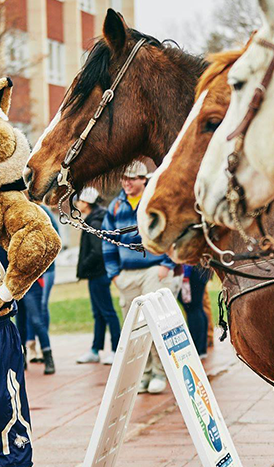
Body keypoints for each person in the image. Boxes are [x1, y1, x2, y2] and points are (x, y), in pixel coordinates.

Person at [102, 161, 179, 394]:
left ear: (143, 179)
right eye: (124, 178)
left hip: (153, 270)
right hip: (127, 275)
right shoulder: (115, 206)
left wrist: (167, 265)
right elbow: (108, 241)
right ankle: (143, 375)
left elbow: (173, 230)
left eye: (132, 178)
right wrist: (114, 274)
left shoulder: (155, 200)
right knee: (133, 328)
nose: (126, 182)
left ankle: (159, 373)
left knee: (155, 322)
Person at [74, 187, 120, 365]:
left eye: (80, 200)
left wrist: (84, 266)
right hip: (98, 274)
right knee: (99, 313)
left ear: (86, 202)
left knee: (107, 312)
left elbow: (97, 251)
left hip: (98, 274)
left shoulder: (95, 222)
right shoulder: (95, 219)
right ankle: (96, 349)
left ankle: (116, 349)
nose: (77, 203)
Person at [22, 205, 60, 375]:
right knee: (19, 321)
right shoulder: (10, 211)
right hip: (14, 278)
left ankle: (47, 355)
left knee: (37, 318)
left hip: (32, 279)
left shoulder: (38, 211)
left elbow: (52, 240)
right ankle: (21, 357)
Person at [179, 265, 211, 358]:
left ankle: (197, 348)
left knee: (192, 309)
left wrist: (185, 274)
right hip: (200, 270)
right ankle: (201, 348)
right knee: (197, 308)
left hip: (190, 273)